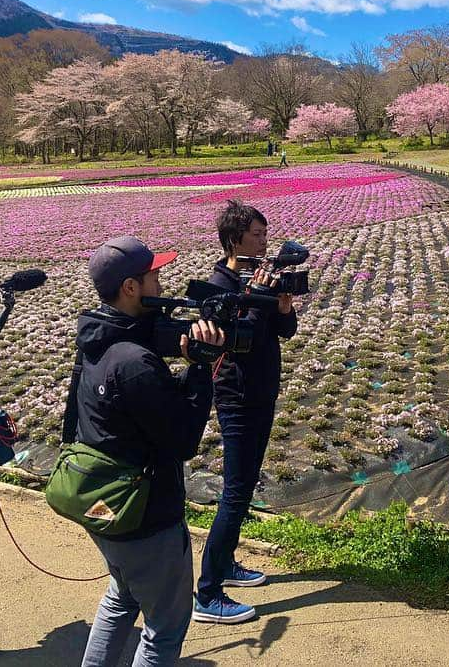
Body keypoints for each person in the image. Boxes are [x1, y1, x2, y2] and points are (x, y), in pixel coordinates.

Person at [75, 236, 225, 667]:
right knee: (165, 627)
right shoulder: (134, 361)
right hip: (146, 515)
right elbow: (182, 441)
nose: (161, 284)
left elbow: (134, 411)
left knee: (121, 598)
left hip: (104, 505)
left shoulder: (95, 341)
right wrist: (199, 370)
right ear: (130, 288)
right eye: (154, 276)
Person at [194, 200, 298, 624]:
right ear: (235, 238)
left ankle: (228, 563)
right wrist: (257, 296)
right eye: (257, 234)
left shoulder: (262, 278)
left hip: (262, 390)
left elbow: (283, 332)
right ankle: (207, 592)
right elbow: (241, 338)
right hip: (236, 395)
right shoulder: (217, 286)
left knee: (247, 482)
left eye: (265, 233)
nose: (265, 240)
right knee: (236, 490)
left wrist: (283, 305)